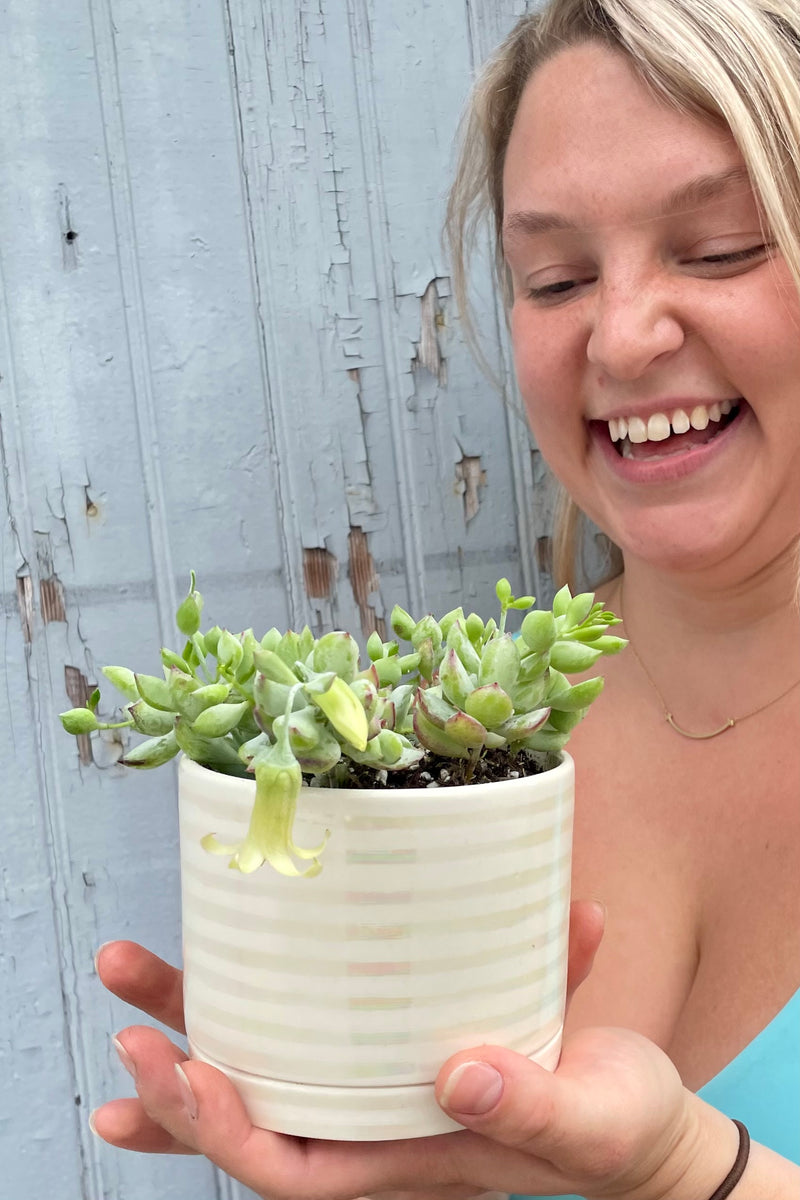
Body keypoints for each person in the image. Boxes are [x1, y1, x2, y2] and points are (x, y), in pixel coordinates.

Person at [90, 2, 800, 1197]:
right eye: (555, 276)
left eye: (720, 245)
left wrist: (686, 1172)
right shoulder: (454, 756)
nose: (619, 339)